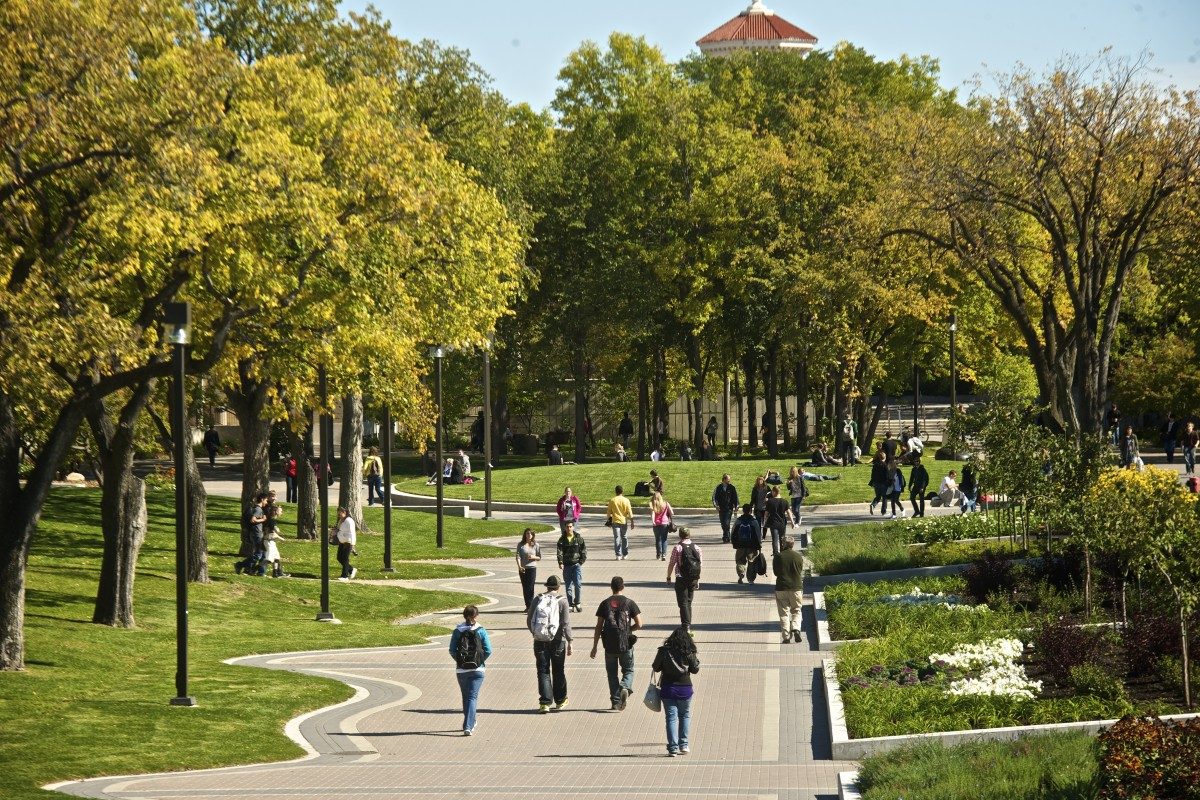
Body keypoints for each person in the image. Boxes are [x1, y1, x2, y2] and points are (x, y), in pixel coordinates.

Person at [590, 576, 643, 711]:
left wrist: (595, 646)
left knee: (612, 674)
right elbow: (640, 624)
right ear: (623, 587)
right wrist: (628, 630)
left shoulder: (604, 603)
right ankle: (625, 687)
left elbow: (598, 626)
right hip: (625, 643)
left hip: (609, 645)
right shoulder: (629, 603)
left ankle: (615, 701)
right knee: (629, 670)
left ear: (611, 587)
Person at [652, 627, 700, 757]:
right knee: (684, 715)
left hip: (668, 688)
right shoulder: (688, 651)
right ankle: (683, 745)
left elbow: (655, 667)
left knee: (671, 718)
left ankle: (673, 748)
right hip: (685, 688)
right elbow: (695, 669)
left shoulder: (664, 651)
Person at [529, 575, 573, 712]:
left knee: (542, 671)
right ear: (559, 587)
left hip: (540, 640)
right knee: (559, 670)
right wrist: (570, 640)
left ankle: (545, 703)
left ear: (547, 586)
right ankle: (560, 700)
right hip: (558, 641)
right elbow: (566, 623)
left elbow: (530, 619)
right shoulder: (562, 601)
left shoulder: (538, 599)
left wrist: (535, 633)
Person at [449, 605, 492, 735]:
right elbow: (488, 650)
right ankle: (469, 725)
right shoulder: (481, 630)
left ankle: (468, 722)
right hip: (478, 669)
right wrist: (480, 661)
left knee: (466, 696)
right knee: (472, 697)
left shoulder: (457, 631)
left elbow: (451, 650)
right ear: (476, 616)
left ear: (464, 615)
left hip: (461, 670)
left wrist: (460, 661)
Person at [665, 526, 701, 632]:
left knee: (683, 603)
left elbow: (672, 563)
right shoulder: (697, 547)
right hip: (693, 578)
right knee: (688, 602)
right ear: (689, 535)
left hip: (681, 578)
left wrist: (668, 577)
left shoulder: (678, 547)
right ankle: (688, 624)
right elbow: (700, 564)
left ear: (680, 535)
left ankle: (686, 626)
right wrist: (697, 580)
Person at [773, 535, 804, 645]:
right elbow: (800, 571)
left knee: (783, 613)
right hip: (796, 587)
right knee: (796, 610)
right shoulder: (798, 556)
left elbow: (776, 573)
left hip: (781, 587)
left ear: (783, 544)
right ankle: (796, 628)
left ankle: (786, 636)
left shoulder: (778, 557)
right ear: (793, 544)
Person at [556, 521, 587, 612]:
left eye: (570, 526)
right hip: (567, 566)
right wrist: (560, 562)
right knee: (568, 586)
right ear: (565, 528)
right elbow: (559, 552)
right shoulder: (562, 540)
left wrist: (581, 562)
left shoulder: (578, 538)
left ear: (573, 527)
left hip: (576, 565)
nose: (569, 528)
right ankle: (570, 604)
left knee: (578, 584)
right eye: (567, 527)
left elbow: (583, 550)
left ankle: (577, 602)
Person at [234, 493, 268, 576]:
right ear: (262, 499)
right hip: (256, 534)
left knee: (263, 554)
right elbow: (253, 520)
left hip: (255, 533)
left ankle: (258, 572)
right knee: (258, 555)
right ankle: (240, 564)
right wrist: (263, 520)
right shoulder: (258, 509)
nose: (266, 502)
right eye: (266, 500)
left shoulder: (255, 508)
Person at [516, 528, 542, 611]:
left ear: (533, 535)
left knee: (530, 587)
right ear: (525, 535)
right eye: (527, 533)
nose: (529, 535)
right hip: (523, 568)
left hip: (532, 568)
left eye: (531, 534)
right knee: (525, 587)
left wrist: (533, 557)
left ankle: (531, 605)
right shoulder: (521, 545)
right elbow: (518, 556)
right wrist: (520, 566)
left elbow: (539, 557)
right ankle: (527, 605)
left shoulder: (535, 545)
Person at [763, 485, 793, 556]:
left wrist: (765, 521)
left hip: (773, 523)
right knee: (782, 538)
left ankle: (775, 553)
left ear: (773, 492)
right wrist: (792, 522)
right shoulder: (784, 501)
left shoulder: (770, 501)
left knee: (774, 539)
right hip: (782, 523)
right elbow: (789, 513)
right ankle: (782, 552)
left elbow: (766, 513)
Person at [607, 485, 634, 560]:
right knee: (624, 537)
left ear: (615, 491)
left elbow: (609, 512)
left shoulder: (612, 500)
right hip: (623, 521)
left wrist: (609, 520)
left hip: (615, 521)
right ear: (622, 491)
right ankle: (625, 554)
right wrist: (632, 521)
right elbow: (630, 512)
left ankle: (618, 554)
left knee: (617, 538)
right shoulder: (626, 500)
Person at [711, 473, 739, 544]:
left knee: (727, 523)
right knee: (723, 523)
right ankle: (726, 535)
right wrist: (716, 505)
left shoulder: (732, 487)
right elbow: (714, 497)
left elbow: (735, 497)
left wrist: (736, 506)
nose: (729, 481)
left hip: (729, 509)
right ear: (724, 480)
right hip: (721, 509)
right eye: (728, 480)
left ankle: (726, 537)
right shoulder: (718, 487)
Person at [333, 506, 357, 580]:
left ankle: (344, 576)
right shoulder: (341, 521)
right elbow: (340, 530)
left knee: (345, 558)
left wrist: (352, 544)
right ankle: (351, 569)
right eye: (338, 514)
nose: (339, 516)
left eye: (340, 514)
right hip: (342, 541)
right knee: (339, 557)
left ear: (344, 513)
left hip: (348, 542)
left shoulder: (349, 521)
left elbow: (351, 533)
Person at [650, 491, 674, 561]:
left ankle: (658, 554)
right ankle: (664, 554)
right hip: (664, 523)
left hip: (656, 524)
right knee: (664, 539)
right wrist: (668, 516)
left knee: (658, 539)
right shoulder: (666, 503)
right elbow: (672, 513)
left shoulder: (653, 504)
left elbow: (653, 514)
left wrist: (653, 521)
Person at [868, 450, 889, 515]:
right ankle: (883, 511)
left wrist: (872, 482)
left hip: (876, 483)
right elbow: (887, 475)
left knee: (878, 496)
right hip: (883, 483)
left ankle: (873, 505)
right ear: (884, 457)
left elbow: (872, 474)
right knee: (884, 497)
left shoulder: (875, 465)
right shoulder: (885, 465)